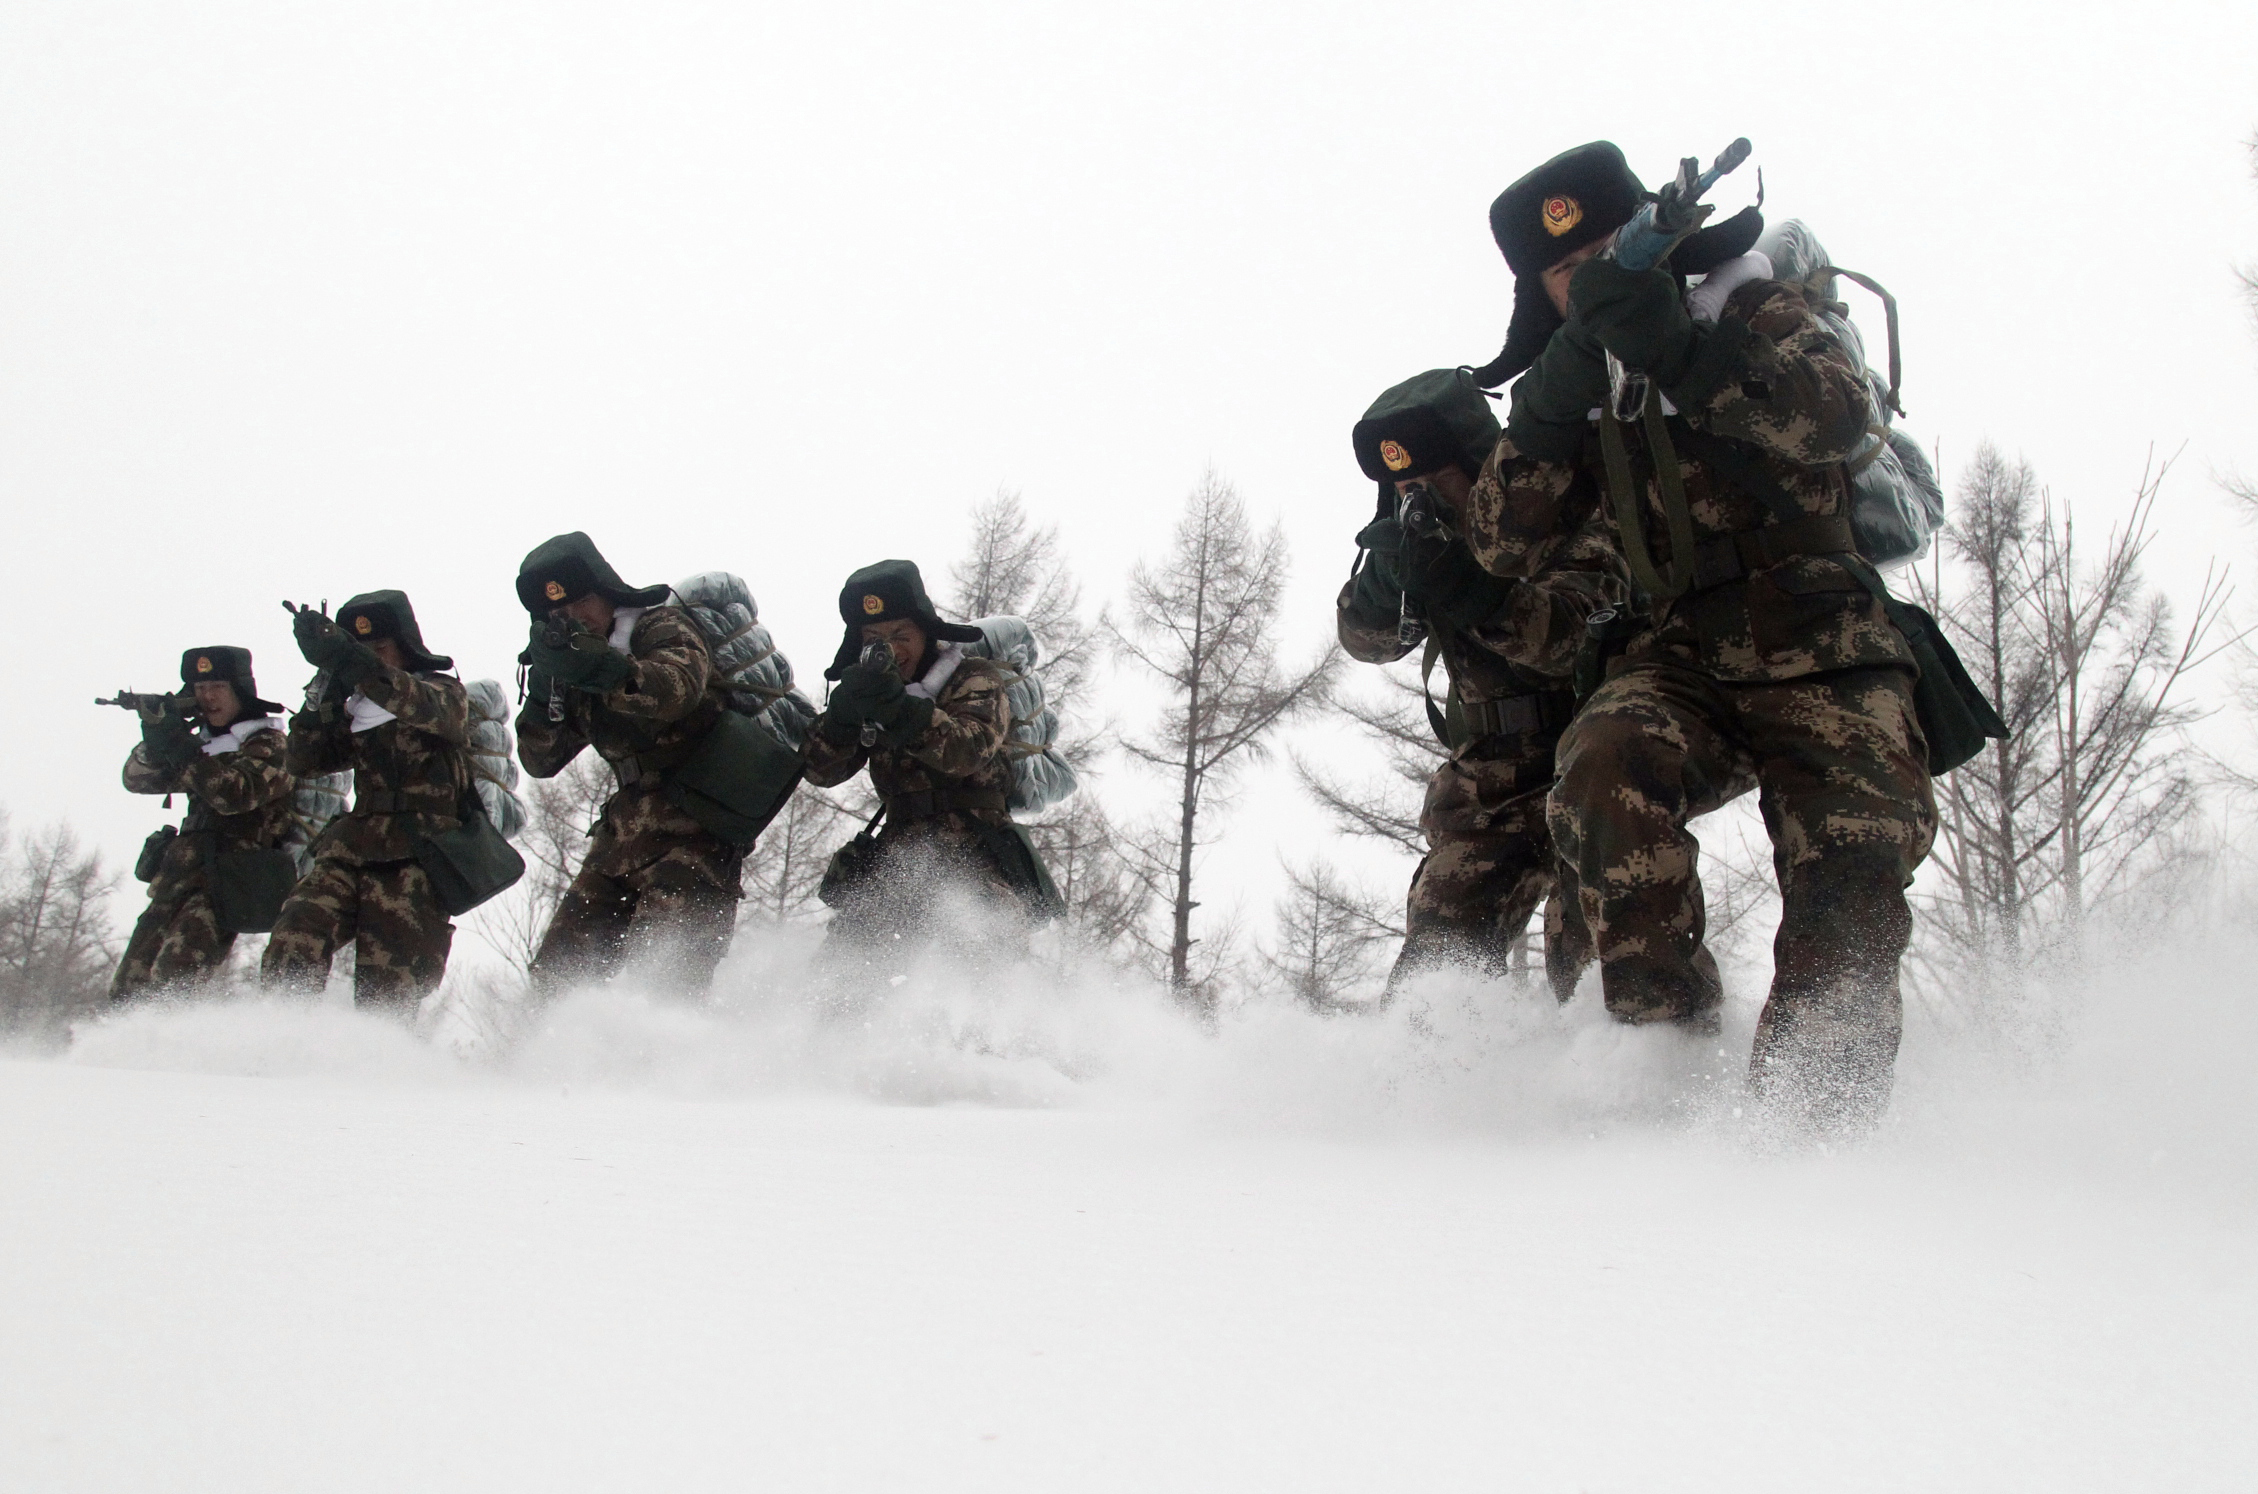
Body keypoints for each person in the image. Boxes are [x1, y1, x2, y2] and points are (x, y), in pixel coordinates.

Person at [1465, 141, 1936, 1129]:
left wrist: (1684, 354)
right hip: (1674, 650)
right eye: (1563, 271)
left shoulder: (1746, 305)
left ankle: (1810, 1130)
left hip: (1825, 639)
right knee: (1599, 765)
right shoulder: (1573, 378)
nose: (1587, 279)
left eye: (1603, 251)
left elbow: (1836, 420)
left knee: (1849, 865)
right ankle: (1657, 1067)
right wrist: (1548, 406)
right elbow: (1502, 545)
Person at [1337, 368, 1623, 999]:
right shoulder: (1419, 540)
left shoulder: (1567, 511)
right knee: (1438, 962)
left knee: (1597, 962)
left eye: (1437, 482)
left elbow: (1567, 640)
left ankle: (1629, 1086)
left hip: (1598, 762)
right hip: (1492, 778)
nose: (1422, 500)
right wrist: (1386, 584)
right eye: (1405, 488)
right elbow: (1365, 642)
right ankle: (1437, 1092)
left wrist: (1476, 590)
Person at [514, 532, 748, 998]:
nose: (572, 619)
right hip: (619, 842)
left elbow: (676, 686)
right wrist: (545, 691)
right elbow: (540, 760)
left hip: (694, 836)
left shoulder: (658, 626)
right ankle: (541, 1068)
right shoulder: (572, 668)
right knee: (557, 983)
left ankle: (678, 1072)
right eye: (557, 615)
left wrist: (601, 670)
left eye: (581, 603)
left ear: (607, 593)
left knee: (663, 984)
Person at [802, 560, 1054, 984]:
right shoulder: (868, 692)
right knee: (839, 984)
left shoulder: (973, 679)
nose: (890, 649)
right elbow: (819, 770)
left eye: (901, 636)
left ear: (926, 635)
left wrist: (903, 712)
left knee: (979, 988)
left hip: (977, 856)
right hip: (897, 859)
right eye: (874, 638)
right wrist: (841, 719)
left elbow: (968, 749)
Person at [261, 591, 474, 1014]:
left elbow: (429, 710)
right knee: (296, 932)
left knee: (389, 997)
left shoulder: (441, 691)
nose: (370, 658)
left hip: (417, 858)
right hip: (351, 851)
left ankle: (380, 1073)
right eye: (360, 650)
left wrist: (354, 662)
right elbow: (304, 760)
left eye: (379, 649)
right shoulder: (356, 709)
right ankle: (278, 1038)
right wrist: (324, 688)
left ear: (405, 644)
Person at [109, 647, 299, 999]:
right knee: (129, 984)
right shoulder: (204, 744)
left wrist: (182, 747)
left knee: (174, 979)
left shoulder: (267, 742)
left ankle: (173, 1047)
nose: (207, 697)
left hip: (228, 878)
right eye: (198, 688)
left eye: (217, 686)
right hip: (177, 877)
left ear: (240, 688)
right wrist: (156, 739)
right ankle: (120, 1047)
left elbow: (232, 795)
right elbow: (137, 780)